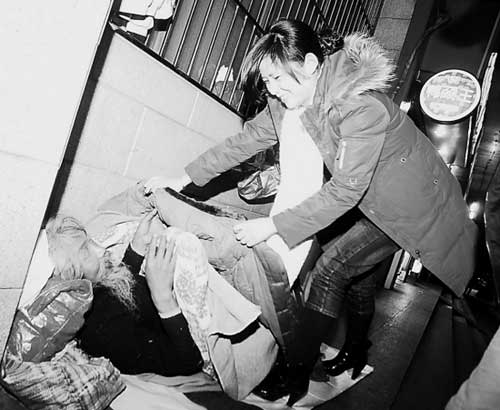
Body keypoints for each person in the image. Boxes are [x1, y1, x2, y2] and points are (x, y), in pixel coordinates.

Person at [144, 19, 477, 405]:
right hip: (362, 192)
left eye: (278, 79)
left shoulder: (359, 104)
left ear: (311, 64)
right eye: (266, 80)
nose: (272, 90)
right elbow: (244, 141)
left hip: (406, 206)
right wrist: (182, 177)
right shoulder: (288, 99)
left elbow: (346, 189)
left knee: (329, 272)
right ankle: (357, 350)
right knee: (356, 277)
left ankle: (295, 374)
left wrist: (273, 226)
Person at [45, 213, 204, 377]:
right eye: (85, 252)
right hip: (191, 341)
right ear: (70, 278)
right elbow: (190, 362)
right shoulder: (104, 332)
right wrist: (162, 296)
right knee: (189, 245)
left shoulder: (94, 294)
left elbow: (115, 295)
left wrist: (135, 250)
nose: (101, 250)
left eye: (90, 241)